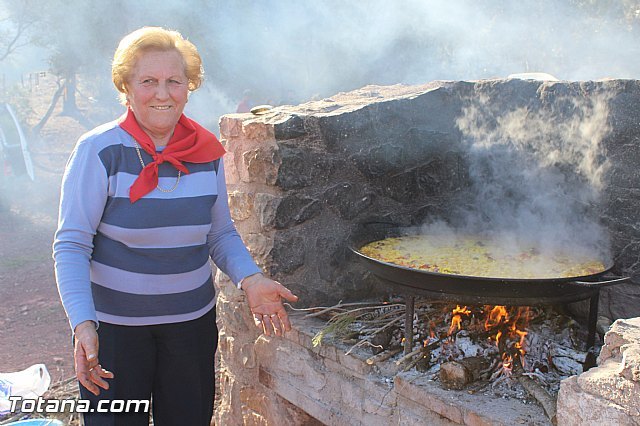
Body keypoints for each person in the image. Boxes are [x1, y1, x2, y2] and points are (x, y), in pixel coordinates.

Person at [52, 26, 298, 426]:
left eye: (174, 81)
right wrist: (83, 325)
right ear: (126, 87)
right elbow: (72, 245)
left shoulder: (207, 151)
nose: (162, 94)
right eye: (148, 81)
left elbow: (219, 233)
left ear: (189, 86)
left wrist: (251, 280)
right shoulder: (98, 151)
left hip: (190, 328)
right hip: (114, 334)